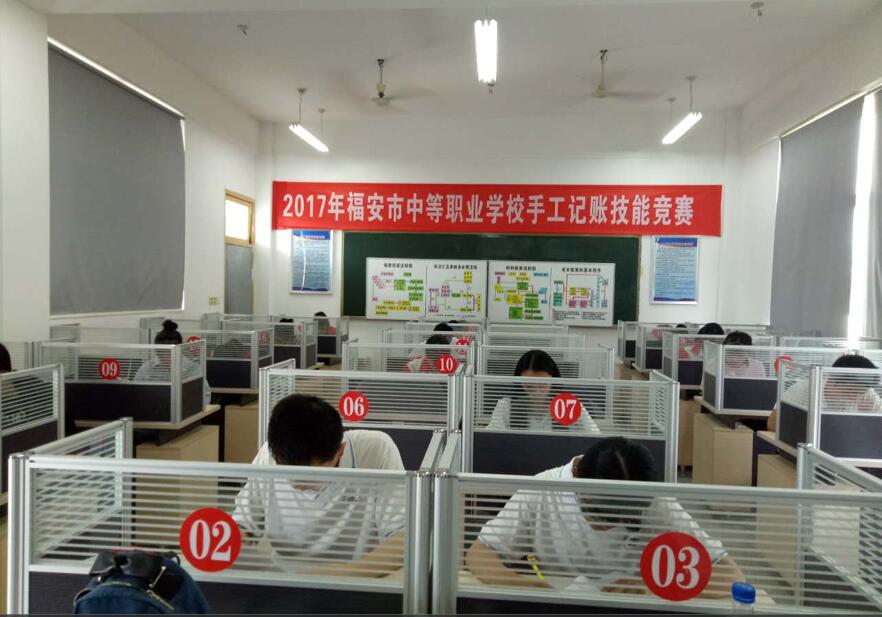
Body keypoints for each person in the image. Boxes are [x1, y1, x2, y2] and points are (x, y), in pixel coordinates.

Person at [464, 437, 743, 597]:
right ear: (577, 477)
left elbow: (729, 574)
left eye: (621, 516)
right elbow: (479, 553)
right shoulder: (544, 488)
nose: (606, 525)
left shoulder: (654, 503)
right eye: (597, 511)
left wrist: (652, 589)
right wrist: (529, 587)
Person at [233, 394, 406, 577]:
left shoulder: (376, 450)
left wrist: (338, 576)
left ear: (340, 451)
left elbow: (403, 538)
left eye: (311, 476)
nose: (296, 485)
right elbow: (244, 524)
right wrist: (238, 540)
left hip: (358, 579)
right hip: (286, 580)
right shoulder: (270, 455)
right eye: (288, 473)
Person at [486, 350, 599, 433]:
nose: (537, 391)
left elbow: (594, 437)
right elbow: (493, 440)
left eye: (542, 384)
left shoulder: (569, 405)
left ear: (553, 380)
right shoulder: (506, 406)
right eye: (529, 386)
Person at [768, 354, 881, 432]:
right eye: (851, 391)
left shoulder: (866, 393)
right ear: (833, 381)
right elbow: (772, 423)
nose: (856, 398)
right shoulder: (805, 389)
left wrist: (867, 420)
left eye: (861, 392)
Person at [135, 320, 211, 408]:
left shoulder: (192, 368)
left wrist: (191, 408)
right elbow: (137, 394)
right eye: (162, 354)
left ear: (179, 351)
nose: (166, 358)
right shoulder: (146, 369)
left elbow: (205, 395)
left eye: (170, 354)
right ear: (157, 351)